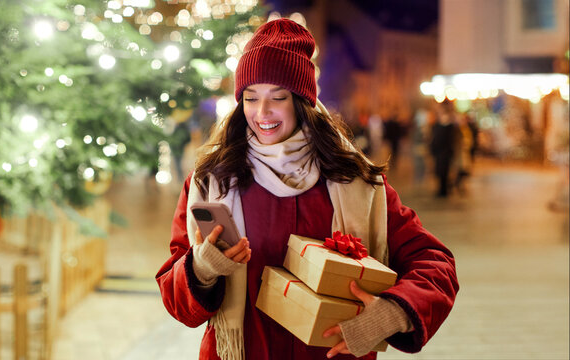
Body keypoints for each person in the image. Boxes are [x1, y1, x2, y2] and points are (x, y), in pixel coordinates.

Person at [156, 19, 458, 360]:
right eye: (251, 98)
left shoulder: (356, 181)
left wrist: (391, 313)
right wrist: (202, 270)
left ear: (302, 101)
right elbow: (173, 294)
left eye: (278, 97)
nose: (262, 112)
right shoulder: (211, 181)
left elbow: (436, 264)